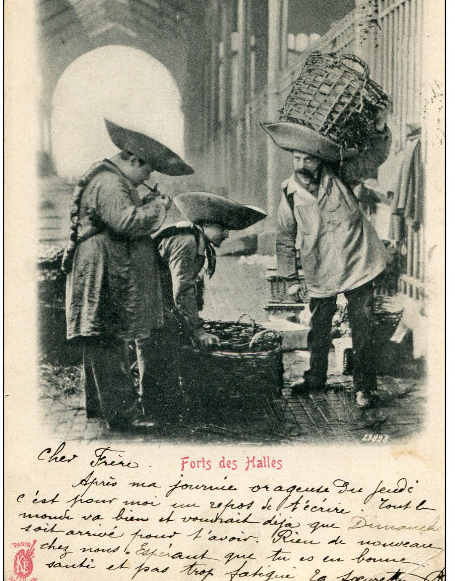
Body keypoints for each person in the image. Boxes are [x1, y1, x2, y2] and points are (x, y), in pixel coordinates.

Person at [62, 117, 194, 431]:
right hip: (100, 269)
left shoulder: (113, 180)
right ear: (132, 160)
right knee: (105, 338)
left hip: (103, 266)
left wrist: (144, 203)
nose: (147, 176)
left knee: (102, 335)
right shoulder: (109, 181)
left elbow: (119, 216)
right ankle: (124, 416)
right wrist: (158, 207)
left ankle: (106, 409)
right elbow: (126, 222)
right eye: (147, 170)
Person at [263, 116, 391, 408]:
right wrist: (291, 279)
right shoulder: (289, 193)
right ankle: (315, 377)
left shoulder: (342, 176)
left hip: (358, 260)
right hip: (320, 266)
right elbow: (284, 237)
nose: (301, 165)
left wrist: (380, 129)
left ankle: (364, 388)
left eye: (308, 159)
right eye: (296, 158)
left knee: (364, 326)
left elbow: (372, 159)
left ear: (320, 160)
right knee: (319, 327)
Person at [135, 192, 267, 418]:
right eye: (222, 228)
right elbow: (182, 289)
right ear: (205, 225)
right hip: (143, 300)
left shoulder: (195, 239)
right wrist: (197, 329)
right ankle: (155, 415)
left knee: (164, 348)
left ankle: (162, 408)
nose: (227, 234)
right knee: (155, 349)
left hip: (155, 299)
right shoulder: (186, 242)